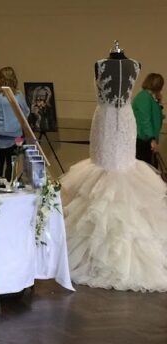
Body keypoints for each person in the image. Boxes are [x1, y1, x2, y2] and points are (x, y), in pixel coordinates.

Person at [61, 45, 167, 292]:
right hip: (105, 120)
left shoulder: (134, 64)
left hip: (123, 120)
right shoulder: (102, 63)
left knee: (124, 170)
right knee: (102, 166)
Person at [0, 66, 30, 180]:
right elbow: (25, 112)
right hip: (14, 135)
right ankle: (9, 188)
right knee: (12, 164)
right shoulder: (17, 95)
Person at [132, 73, 164, 165]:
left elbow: (155, 116)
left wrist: (159, 102)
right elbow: (144, 119)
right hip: (143, 140)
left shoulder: (149, 97)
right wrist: (151, 139)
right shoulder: (144, 97)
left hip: (146, 139)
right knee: (146, 172)